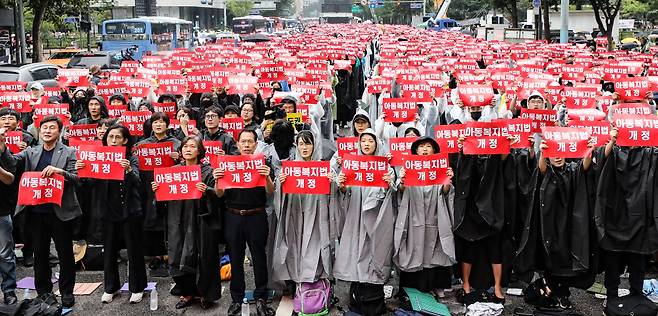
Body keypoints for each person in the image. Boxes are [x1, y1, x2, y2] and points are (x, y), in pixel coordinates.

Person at [0, 116, 81, 308]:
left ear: (59, 132)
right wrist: (2, 146)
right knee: (40, 253)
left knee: (65, 253)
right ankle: (44, 292)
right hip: (36, 212)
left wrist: (59, 172)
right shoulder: (31, 151)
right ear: (39, 130)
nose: (47, 131)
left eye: (52, 128)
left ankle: (67, 291)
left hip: (60, 211)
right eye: (44, 127)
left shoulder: (69, 152)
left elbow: (77, 178)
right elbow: (12, 162)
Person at [75, 124, 147, 304]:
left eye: (117, 137)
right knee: (109, 251)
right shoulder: (99, 158)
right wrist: (82, 171)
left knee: (134, 251)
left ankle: (137, 288)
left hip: (130, 211)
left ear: (125, 140)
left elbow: (139, 183)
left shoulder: (132, 159)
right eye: (110, 137)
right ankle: (110, 287)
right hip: (107, 211)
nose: (113, 141)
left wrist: (129, 170)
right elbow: (88, 184)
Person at [333, 128, 395, 316]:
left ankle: (373, 300)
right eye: (363, 141)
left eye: (370, 140)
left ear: (377, 144)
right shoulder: (351, 165)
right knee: (355, 256)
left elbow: (392, 195)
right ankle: (356, 298)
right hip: (354, 220)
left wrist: (388, 184)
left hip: (376, 222)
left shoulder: (386, 168)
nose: (366, 144)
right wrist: (342, 185)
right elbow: (343, 194)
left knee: (373, 256)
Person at [213, 129, 275, 316]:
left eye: (250, 142)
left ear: (256, 144)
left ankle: (261, 297)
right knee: (236, 259)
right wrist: (217, 179)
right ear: (237, 144)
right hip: (233, 216)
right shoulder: (228, 164)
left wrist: (267, 176)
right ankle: (236, 298)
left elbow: (270, 192)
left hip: (256, 215)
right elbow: (219, 194)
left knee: (259, 258)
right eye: (243, 142)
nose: (247, 145)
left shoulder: (263, 162)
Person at [154, 136, 221, 309]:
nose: (188, 149)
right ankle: (187, 292)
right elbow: (163, 200)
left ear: (199, 151)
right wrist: (157, 191)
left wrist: (208, 191)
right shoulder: (173, 171)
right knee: (176, 255)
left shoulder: (208, 171)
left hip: (201, 220)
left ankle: (206, 294)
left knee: (204, 257)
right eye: (185, 146)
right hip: (177, 220)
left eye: (192, 146)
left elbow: (219, 196)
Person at [596, 126, 658, 304]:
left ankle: (636, 299)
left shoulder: (649, 153)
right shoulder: (614, 151)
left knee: (637, 262)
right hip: (614, 216)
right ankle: (612, 299)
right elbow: (601, 159)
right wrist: (613, 140)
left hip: (639, 219)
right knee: (613, 263)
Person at [394, 137, 455, 297]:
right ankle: (412, 289)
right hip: (413, 219)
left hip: (435, 218)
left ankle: (435, 286)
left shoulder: (440, 169)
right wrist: (402, 180)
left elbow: (446, 192)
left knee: (434, 253)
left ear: (435, 150)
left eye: (429, 146)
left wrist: (448, 181)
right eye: (421, 146)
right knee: (413, 251)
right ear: (415, 151)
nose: (425, 149)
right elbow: (400, 191)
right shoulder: (408, 168)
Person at [272, 130, 333, 284]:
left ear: (314, 145)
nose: (304, 148)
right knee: (295, 245)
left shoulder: (322, 167)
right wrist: (281, 182)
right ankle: (296, 280)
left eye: (308, 143)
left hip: (316, 213)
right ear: (296, 146)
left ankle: (315, 280)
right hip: (296, 212)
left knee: (315, 246)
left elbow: (335, 192)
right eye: (301, 144)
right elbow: (278, 192)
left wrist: (332, 182)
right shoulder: (290, 168)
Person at [135, 112, 181, 277]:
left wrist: (178, 158)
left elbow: (187, 163)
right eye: (155, 122)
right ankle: (156, 256)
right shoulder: (143, 145)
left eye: (162, 122)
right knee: (152, 220)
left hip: (170, 187)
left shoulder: (176, 144)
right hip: (149, 186)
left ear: (167, 125)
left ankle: (171, 255)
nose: (158, 125)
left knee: (170, 221)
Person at [0, 150, 17, 305]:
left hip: (1, 211)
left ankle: (8, 290)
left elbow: (10, 179)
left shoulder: (4, 153)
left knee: (6, 254)